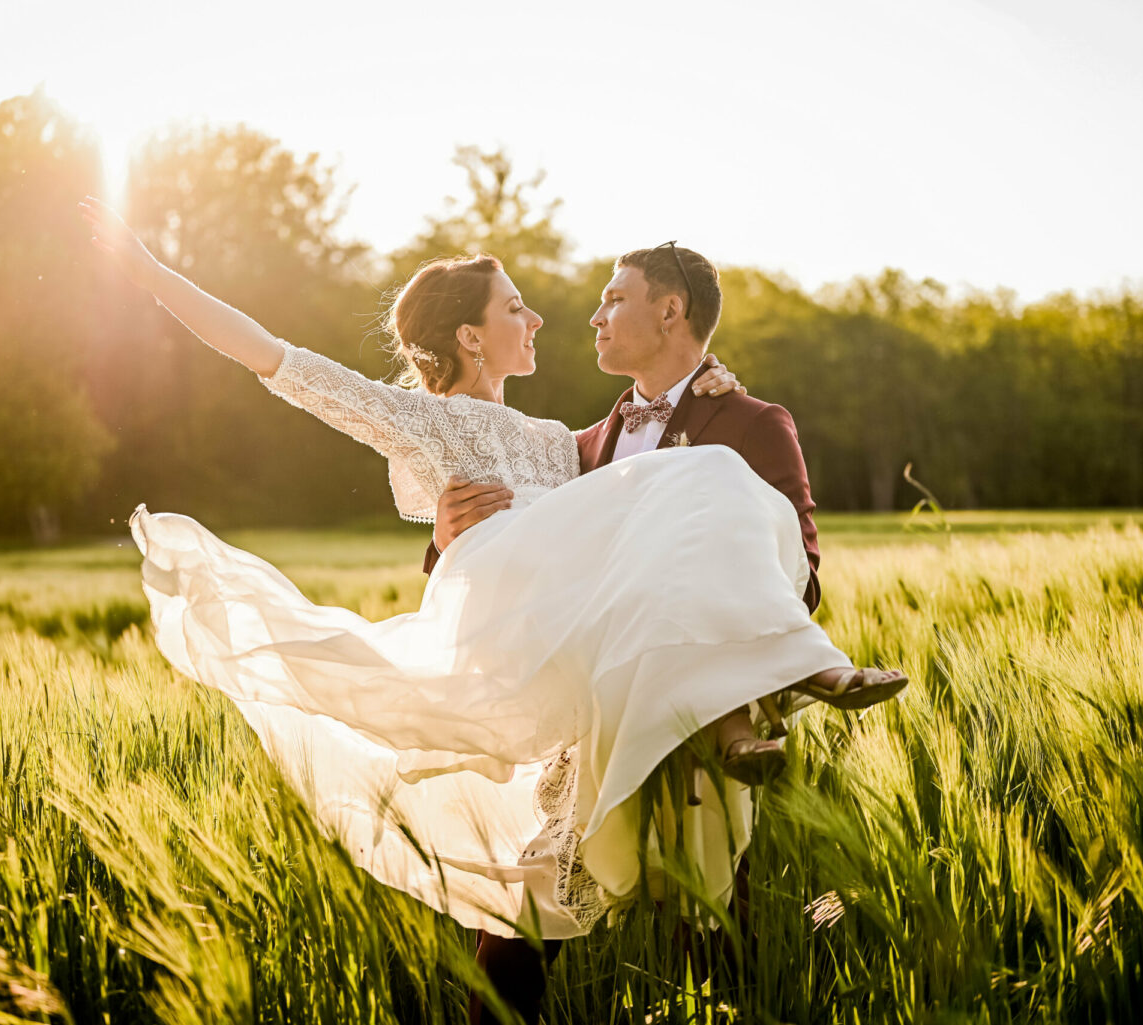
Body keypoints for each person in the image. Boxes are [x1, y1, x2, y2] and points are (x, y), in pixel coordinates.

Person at [76, 196, 905, 985]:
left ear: (672, 311)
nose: (547, 317)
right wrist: (149, 273)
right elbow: (278, 360)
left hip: (629, 680)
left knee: (697, 908)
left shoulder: (564, 443)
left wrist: (716, 393)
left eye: (603, 298)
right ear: (472, 336)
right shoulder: (448, 425)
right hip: (532, 668)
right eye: (518, 307)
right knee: (523, 923)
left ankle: (763, 737)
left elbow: (686, 523)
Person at [426, 241, 906, 1022]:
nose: (596, 313)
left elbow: (803, 568)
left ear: (670, 311)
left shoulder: (749, 422)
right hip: (592, 728)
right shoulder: (576, 447)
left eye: (615, 298)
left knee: (713, 935)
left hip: (701, 730)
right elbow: (498, 556)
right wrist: (446, 537)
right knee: (514, 938)